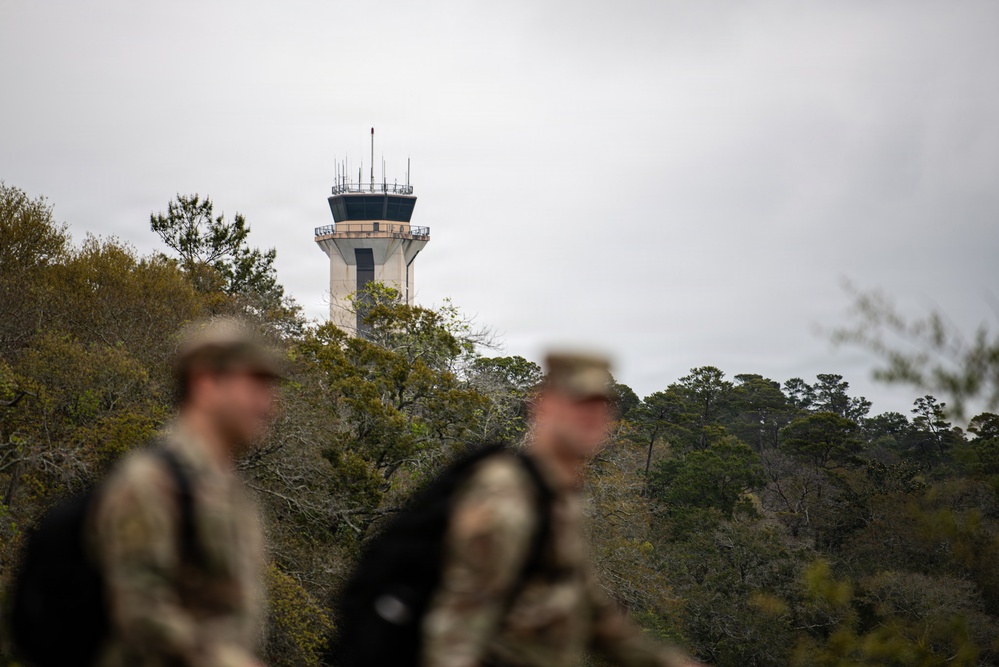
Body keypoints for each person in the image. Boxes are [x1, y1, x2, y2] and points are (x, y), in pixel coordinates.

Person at [421, 352, 706, 667]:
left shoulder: (557, 499)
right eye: (578, 403)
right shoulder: (508, 499)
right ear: (543, 406)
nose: (592, 417)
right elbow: (454, 635)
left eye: (601, 406)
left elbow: (596, 615)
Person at [90, 318, 282, 667]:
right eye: (254, 385)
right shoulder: (150, 483)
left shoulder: (230, 490)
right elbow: (140, 612)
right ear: (205, 383)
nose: (269, 404)